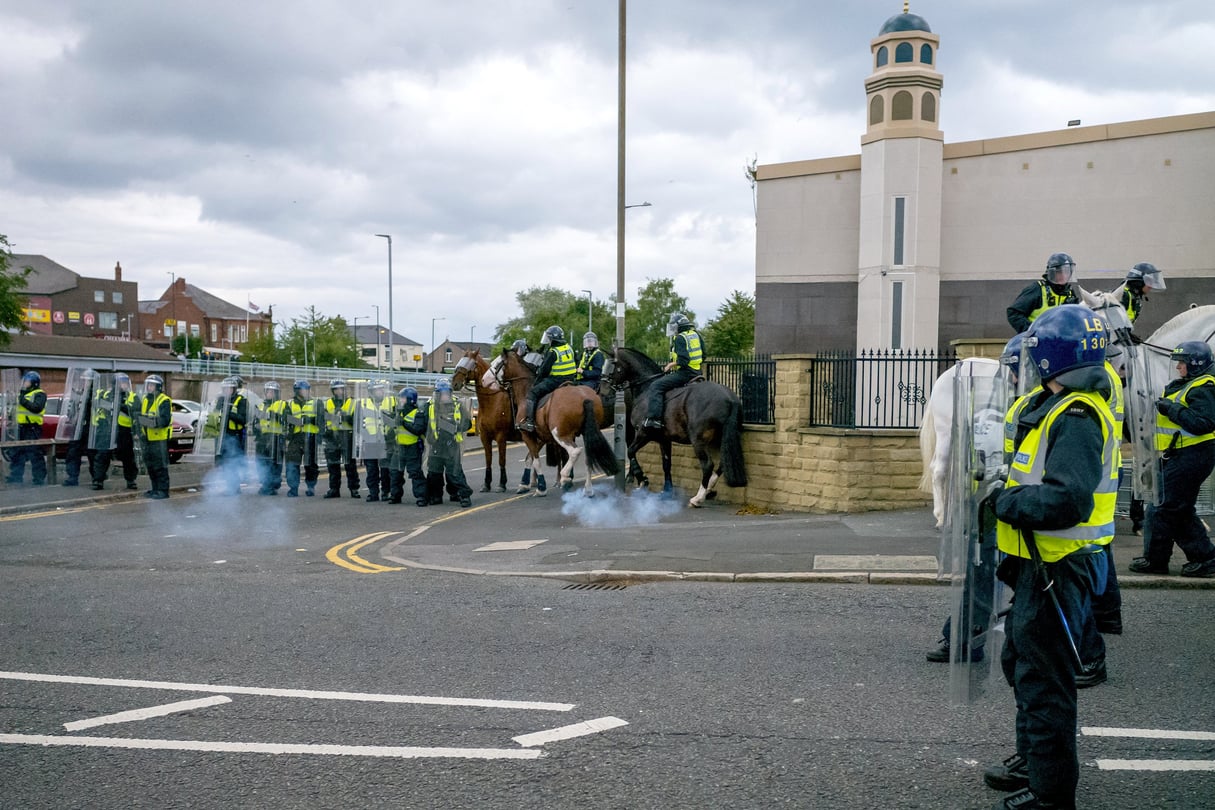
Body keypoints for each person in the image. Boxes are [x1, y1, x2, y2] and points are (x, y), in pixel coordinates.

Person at [983, 304, 1119, 810]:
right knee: (1021, 663)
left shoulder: (1078, 416)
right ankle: (1033, 760)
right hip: (1038, 565)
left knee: (1046, 683)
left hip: (1059, 569)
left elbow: (1067, 500)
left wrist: (1005, 501)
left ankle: (1051, 795)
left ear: (1050, 358)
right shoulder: (1054, 406)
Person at [925, 334, 1022, 664]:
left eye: (1012, 370)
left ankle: (968, 638)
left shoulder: (1027, 407)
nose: (1006, 378)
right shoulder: (1019, 404)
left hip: (1007, 508)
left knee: (983, 576)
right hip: (1001, 506)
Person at [1128, 340, 1215, 578]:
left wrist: (1171, 409)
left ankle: (1193, 558)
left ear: (1195, 364)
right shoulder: (1187, 384)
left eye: (1182, 363)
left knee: (1167, 507)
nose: (1178, 367)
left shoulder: (1204, 387)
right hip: (1180, 454)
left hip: (1194, 453)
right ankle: (1193, 558)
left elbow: (1203, 423)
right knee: (1172, 507)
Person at [643, 312, 704, 432]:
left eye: (673, 326)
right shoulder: (695, 335)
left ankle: (654, 419)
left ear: (679, 326)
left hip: (685, 373)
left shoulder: (680, 338)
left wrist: (671, 365)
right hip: (697, 372)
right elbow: (704, 354)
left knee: (656, 386)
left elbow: (684, 360)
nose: (672, 329)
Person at [516, 325, 577, 432]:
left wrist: (536, 382)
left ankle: (529, 422)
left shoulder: (553, 352)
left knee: (532, 394)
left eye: (549, 338)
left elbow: (544, 371)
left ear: (553, 339)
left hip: (556, 381)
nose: (548, 340)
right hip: (571, 380)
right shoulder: (569, 348)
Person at [1006, 253, 1080, 334]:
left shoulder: (1069, 292)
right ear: (1052, 273)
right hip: (1036, 341)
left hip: (1059, 340)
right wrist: (1031, 331)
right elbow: (1013, 313)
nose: (1063, 276)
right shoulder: (1037, 289)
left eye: (1066, 272)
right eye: (1059, 272)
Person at [426, 379, 473, 507]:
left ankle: (464, 495)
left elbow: (467, 423)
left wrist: (456, 427)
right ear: (437, 394)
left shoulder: (457, 405)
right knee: (434, 473)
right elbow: (423, 424)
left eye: (447, 393)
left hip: (452, 444)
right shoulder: (429, 406)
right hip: (436, 444)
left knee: (455, 472)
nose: (445, 396)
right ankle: (436, 496)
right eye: (442, 393)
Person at [94, 373, 140, 491]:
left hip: (124, 431)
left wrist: (120, 406)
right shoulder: (107, 395)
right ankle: (98, 480)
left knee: (128, 457)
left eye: (125, 383)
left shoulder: (132, 396)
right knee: (103, 455)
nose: (124, 385)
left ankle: (131, 480)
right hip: (108, 429)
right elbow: (100, 406)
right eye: (121, 383)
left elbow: (135, 410)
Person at [5, 371, 47, 486]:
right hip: (20, 427)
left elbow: (36, 408)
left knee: (35, 453)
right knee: (18, 452)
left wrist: (22, 399)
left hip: (32, 428)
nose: (24, 384)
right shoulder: (21, 394)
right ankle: (16, 476)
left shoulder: (40, 394)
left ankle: (39, 478)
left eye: (27, 381)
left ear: (34, 383)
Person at [388, 386, 428, 506]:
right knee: (395, 472)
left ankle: (421, 497)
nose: (401, 400)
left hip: (413, 447)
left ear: (411, 399)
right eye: (400, 398)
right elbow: (392, 431)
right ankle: (395, 495)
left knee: (415, 473)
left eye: (403, 398)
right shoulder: (397, 412)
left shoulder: (418, 413)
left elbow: (418, 429)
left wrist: (403, 423)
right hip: (399, 447)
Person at [322, 379, 360, 498]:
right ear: (333, 391)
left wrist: (346, 418)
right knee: (333, 465)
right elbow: (322, 419)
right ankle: (334, 489)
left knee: (350, 465)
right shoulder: (327, 403)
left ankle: (354, 489)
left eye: (342, 389)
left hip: (347, 436)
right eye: (337, 389)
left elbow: (357, 420)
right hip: (332, 437)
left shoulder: (352, 402)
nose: (340, 391)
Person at [359, 381, 396, 502]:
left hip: (386, 439)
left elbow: (396, 417)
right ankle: (373, 492)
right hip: (370, 439)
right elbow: (358, 422)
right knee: (371, 469)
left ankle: (386, 491)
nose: (380, 392)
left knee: (385, 469)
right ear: (371, 392)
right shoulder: (364, 403)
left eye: (381, 389)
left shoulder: (391, 401)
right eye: (377, 390)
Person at [138, 374, 172, 500]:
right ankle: (155, 489)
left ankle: (163, 490)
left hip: (159, 438)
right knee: (151, 465)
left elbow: (165, 420)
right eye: (148, 385)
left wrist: (151, 422)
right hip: (147, 437)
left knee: (160, 466)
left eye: (151, 385)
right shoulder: (146, 399)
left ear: (158, 387)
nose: (149, 387)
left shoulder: (164, 400)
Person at [284, 380, 320, 497]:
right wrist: (300, 421)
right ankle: (293, 488)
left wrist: (311, 422)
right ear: (297, 391)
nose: (304, 392)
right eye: (301, 390)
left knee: (310, 464)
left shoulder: (316, 403)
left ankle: (311, 486)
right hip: (295, 437)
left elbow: (321, 420)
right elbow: (286, 418)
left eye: (306, 389)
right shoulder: (289, 403)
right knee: (292, 464)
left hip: (311, 437)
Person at [62, 370, 98, 488]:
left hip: (89, 427)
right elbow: (72, 408)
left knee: (92, 454)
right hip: (77, 427)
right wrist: (71, 416)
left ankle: (96, 477)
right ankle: (72, 477)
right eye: (83, 380)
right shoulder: (79, 394)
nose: (84, 382)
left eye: (87, 380)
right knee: (73, 452)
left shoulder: (95, 395)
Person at [214, 376, 249, 496]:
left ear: (234, 389)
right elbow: (215, 415)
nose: (227, 391)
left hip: (234, 435)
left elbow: (243, 419)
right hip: (221, 435)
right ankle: (229, 485)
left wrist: (229, 413)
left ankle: (234, 487)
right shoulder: (220, 400)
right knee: (223, 462)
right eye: (225, 388)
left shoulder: (241, 400)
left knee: (232, 462)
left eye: (230, 388)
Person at [253, 380, 286, 496]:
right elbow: (255, 422)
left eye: (273, 392)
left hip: (276, 437)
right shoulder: (260, 405)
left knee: (275, 462)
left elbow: (286, 420)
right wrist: (255, 429)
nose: (270, 394)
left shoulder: (282, 404)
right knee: (261, 462)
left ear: (277, 393)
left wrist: (276, 416)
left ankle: (272, 484)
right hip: (263, 438)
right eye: (268, 391)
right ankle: (265, 483)